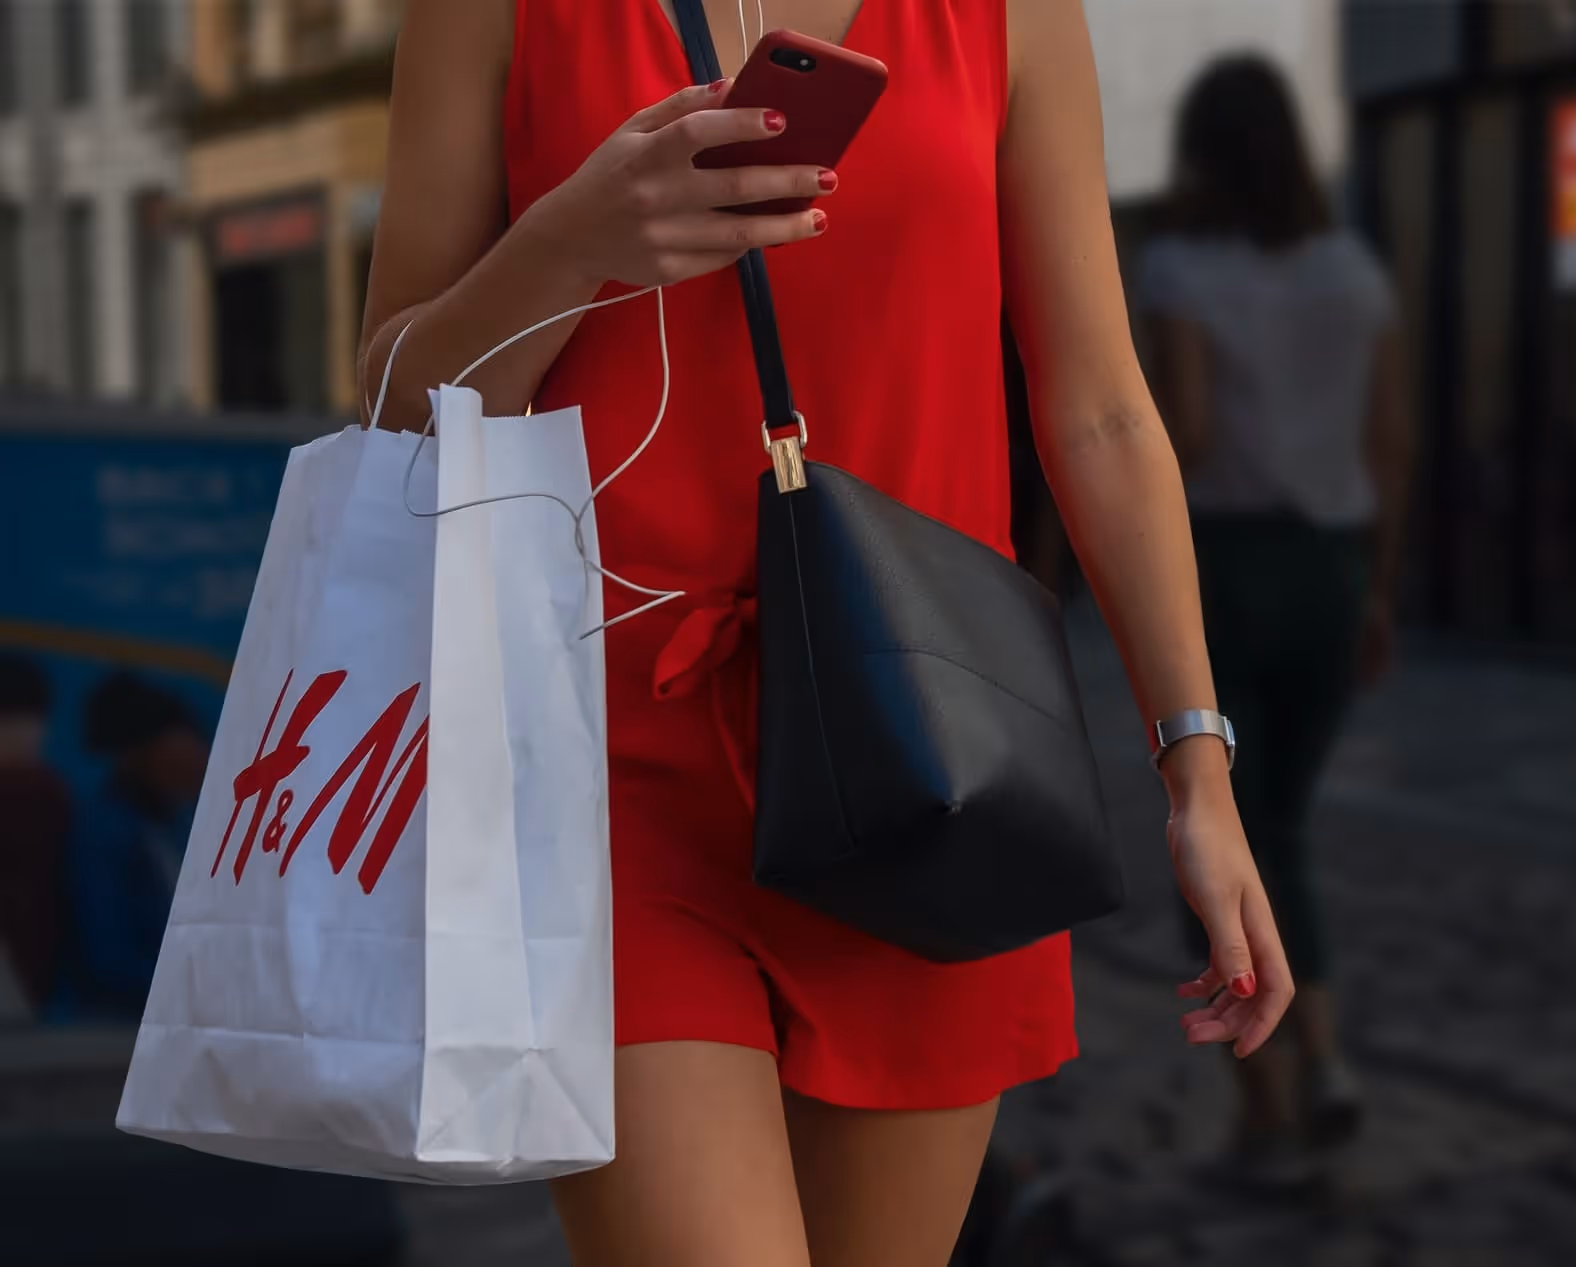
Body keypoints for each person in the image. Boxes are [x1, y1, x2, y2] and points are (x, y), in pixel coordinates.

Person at [359, 3, 1293, 1263]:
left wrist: (1197, 767)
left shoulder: (1012, 16)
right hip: (602, 770)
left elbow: (1100, 409)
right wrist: (569, 244)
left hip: (927, 760)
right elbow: (390, 404)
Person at [1136, 57, 1413, 1180]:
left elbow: (1189, 434)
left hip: (1223, 569)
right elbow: (1391, 444)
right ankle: (1329, 1062)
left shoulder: (1180, 268)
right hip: (1332, 567)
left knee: (1214, 841)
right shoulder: (1355, 273)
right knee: (1283, 826)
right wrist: (1379, 588)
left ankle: (1265, 1108)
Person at [51, 673, 208, 1023]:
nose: (200, 763)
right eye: (180, 756)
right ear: (135, 754)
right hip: (115, 1026)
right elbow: (108, 960)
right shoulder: (104, 835)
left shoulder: (172, 826)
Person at [0, 653, 70, 1018]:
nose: (23, 731)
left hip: (39, 988)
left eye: (31, 718)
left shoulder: (50, 794)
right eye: (8, 719)